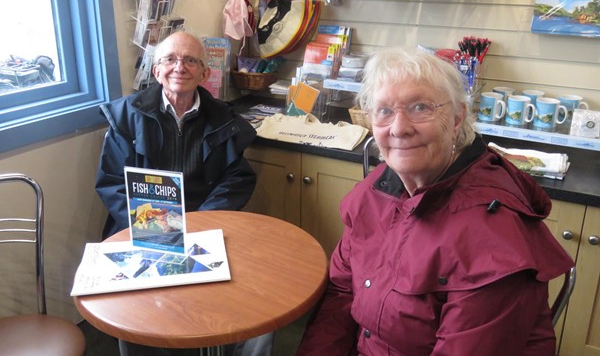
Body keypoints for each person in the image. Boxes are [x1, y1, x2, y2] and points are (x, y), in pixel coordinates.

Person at [295, 48, 574, 356]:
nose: (399, 128)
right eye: (384, 111)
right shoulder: (375, 194)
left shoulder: (494, 238)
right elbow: (341, 295)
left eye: (419, 107)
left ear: (457, 119)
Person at [95, 31, 272, 356]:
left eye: (191, 60)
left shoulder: (224, 120)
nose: (180, 67)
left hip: (207, 225)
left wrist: (200, 222)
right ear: (157, 70)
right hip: (143, 228)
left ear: (205, 73)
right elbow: (111, 182)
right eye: (170, 59)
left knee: (260, 303)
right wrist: (155, 224)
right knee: (132, 311)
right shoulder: (126, 118)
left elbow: (237, 179)